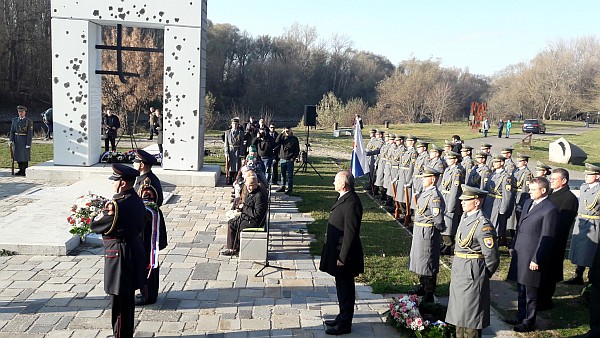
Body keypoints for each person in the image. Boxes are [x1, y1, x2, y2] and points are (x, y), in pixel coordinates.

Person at [90, 164, 146, 338]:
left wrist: (93, 215)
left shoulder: (117, 205)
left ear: (122, 183)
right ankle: (123, 332)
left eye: (115, 180)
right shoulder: (135, 198)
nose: (113, 184)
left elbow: (97, 225)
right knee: (127, 299)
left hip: (119, 255)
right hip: (132, 250)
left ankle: (121, 334)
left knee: (120, 302)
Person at [446, 185, 500, 338]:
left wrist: (482, 274)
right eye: (462, 200)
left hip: (472, 272)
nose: (462, 202)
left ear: (477, 202)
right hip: (460, 271)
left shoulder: (483, 225)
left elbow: (492, 257)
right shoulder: (465, 218)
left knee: (471, 317)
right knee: (459, 314)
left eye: (466, 200)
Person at [505, 177, 558, 333]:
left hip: (532, 256)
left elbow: (547, 237)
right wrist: (513, 245)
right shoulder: (528, 203)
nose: (530, 192)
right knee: (520, 288)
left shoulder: (550, 209)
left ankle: (529, 321)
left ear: (543, 190)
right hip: (521, 252)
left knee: (531, 292)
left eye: (533, 189)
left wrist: (537, 258)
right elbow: (520, 227)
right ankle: (520, 316)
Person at [319, 171, 364, 335]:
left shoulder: (352, 202)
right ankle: (341, 316)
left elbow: (351, 233)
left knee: (346, 290)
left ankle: (345, 324)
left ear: (344, 184)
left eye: (335, 180)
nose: (333, 183)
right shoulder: (344, 197)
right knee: (341, 287)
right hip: (336, 251)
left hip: (345, 255)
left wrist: (342, 257)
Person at [536, 168, 578, 310]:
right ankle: (539, 298)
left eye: (554, 179)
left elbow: (562, 224)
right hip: (545, 237)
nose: (551, 181)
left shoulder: (569, 198)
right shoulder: (553, 194)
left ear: (564, 181)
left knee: (549, 272)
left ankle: (545, 301)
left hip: (555, 241)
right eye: (551, 179)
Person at [133, 149, 168, 306]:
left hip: (147, 230)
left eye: (135, 161)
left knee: (148, 261)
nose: (133, 164)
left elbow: (147, 209)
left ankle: (148, 295)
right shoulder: (145, 179)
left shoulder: (146, 183)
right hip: (146, 229)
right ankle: (146, 291)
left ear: (141, 165)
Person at [408, 167, 445, 302]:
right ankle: (423, 286)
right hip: (420, 231)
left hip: (428, 232)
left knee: (428, 261)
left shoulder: (434, 197)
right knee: (421, 260)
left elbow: (438, 220)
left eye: (425, 177)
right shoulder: (426, 193)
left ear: (433, 179)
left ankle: (429, 292)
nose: (422, 180)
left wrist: (436, 231)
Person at [567, 163, 600, 286]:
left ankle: (592, 276)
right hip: (581, 221)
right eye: (586, 174)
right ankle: (578, 274)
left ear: (597, 176)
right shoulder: (584, 187)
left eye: (590, 174)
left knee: (591, 250)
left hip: (594, 222)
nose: (586, 176)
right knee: (579, 249)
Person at [222, 172, 268, 256]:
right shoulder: (252, 192)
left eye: (252, 185)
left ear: (256, 184)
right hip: (249, 217)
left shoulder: (259, 195)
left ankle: (232, 248)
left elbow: (257, 213)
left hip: (255, 221)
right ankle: (236, 246)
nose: (249, 188)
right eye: (248, 186)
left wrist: (244, 207)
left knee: (232, 224)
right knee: (233, 221)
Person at [482, 155, 515, 242]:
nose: (494, 163)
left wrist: (503, 209)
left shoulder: (506, 177)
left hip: (498, 202)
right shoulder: (492, 174)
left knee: (495, 225)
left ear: (502, 163)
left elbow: (507, 195)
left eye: (497, 162)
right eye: (494, 162)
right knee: (487, 221)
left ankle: (494, 241)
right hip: (489, 201)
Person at [8, 105, 34, 176]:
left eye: (22, 112)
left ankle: (24, 170)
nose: (20, 113)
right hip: (17, 139)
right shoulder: (14, 120)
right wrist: (11, 139)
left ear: (25, 112)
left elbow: (30, 133)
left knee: (24, 156)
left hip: (24, 139)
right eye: (19, 112)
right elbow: (12, 131)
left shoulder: (28, 121)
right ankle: (20, 169)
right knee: (17, 155)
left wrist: (28, 143)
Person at [275, 126, 300, 194]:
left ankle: (290, 189)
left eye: (288, 131)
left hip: (290, 159)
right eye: (286, 131)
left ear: (291, 131)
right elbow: (276, 141)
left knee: (290, 176)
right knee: (282, 175)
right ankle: (282, 186)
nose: (287, 132)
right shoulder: (282, 138)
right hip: (282, 159)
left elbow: (297, 150)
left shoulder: (294, 139)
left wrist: (293, 158)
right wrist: (281, 133)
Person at [224, 117, 245, 185]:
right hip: (230, 149)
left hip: (237, 150)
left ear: (238, 124)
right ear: (231, 124)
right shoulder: (227, 132)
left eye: (236, 124)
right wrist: (226, 152)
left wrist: (241, 152)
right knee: (230, 165)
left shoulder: (240, 132)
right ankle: (229, 179)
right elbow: (226, 143)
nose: (235, 125)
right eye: (233, 124)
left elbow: (242, 143)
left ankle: (235, 179)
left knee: (237, 165)